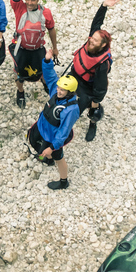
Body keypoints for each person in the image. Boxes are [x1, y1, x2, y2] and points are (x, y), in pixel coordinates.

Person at [70, 0, 120, 142]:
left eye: (95, 40)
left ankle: (92, 123)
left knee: (89, 109)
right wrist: (103, 6)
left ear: (103, 45)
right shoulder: (93, 39)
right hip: (75, 74)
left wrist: (96, 101)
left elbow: (101, 87)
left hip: (87, 86)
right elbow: (97, 22)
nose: (91, 40)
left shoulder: (102, 64)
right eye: (92, 38)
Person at [27, 49, 79, 190]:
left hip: (54, 137)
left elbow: (63, 131)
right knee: (40, 145)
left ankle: (63, 181)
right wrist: (48, 61)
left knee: (59, 158)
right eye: (59, 88)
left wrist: (53, 147)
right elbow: (50, 77)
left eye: (62, 90)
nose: (59, 91)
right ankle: (47, 158)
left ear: (70, 92)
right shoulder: (56, 93)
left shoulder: (71, 109)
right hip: (44, 128)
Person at [8, 0, 58, 109]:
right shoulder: (20, 7)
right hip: (21, 47)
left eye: (33, 0)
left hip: (37, 48)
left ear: (38, 0)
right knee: (19, 74)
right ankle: (20, 92)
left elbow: (51, 30)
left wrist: (55, 48)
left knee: (42, 70)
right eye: (28, 0)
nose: (29, 3)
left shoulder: (46, 13)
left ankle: (46, 86)